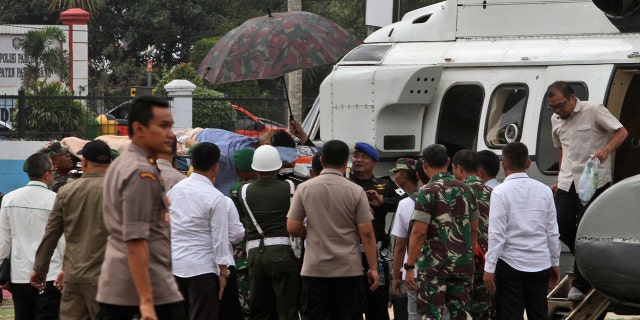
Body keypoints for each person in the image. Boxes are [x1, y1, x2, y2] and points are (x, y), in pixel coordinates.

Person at [97, 96, 185, 320]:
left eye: (170, 126)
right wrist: (146, 302)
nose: (170, 134)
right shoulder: (140, 172)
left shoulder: (125, 164)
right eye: (163, 126)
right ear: (139, 129)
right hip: (144, 292)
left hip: (124, 287)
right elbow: (136, 239)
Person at [547, 81, 628, 300]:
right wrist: (559, 177)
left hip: (593, 180)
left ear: (572, 98)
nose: (557, 110)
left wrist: (606, 150)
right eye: (553, 107)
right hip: (567, 181)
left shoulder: (594, 110)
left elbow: (621, 132)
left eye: (561, 105)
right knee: (560, 223)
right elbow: (562, 149)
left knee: (585, 228)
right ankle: (589, 261)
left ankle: (581, 285)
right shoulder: (556, 119)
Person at [287, 139, 379, 320]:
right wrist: (373, 268)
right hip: (349, 271)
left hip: (315, 270)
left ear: (321, 161)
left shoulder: (304, 188)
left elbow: (292, 227)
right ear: (346, 163)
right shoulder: (356, 190)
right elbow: (366, 233)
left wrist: (310, 231)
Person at [31, 140, 113, 320]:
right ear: (110, 162)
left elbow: (51, 233)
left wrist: (40, 268)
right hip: (107, 279)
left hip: (74, 276)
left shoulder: (66, 191)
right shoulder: (120, 190)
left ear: (84, 162)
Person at [483, 142, 561, 320]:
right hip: (540, 263)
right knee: (539, 313)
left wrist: (489, 267)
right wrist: (554, 261)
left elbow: (497, 234)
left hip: (510, 265)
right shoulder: (545, 191)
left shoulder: (500, 192)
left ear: (504, 164)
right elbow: (552, 231)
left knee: (510, 314)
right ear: (528, 163)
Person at [405, 144, 478, 320]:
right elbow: (474, 229)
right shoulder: (466, 189)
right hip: (462, 265)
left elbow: (419, 232)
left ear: (424, 165)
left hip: (434, 267)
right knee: (461, 314)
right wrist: (470, 260)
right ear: (448, 161)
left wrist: (409, 266)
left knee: (431, 314)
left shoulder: (427, 191)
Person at [168, 142, 237, 320]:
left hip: (175, 266)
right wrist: (223, 273)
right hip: (202, 270)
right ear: (215, 167)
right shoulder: (215, 197)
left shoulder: (175, 191)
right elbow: (220, 239)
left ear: (191, 162)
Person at [238, 145, 300, 320]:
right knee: (287, 308)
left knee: (260, 310)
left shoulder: (243, 190)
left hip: (255, 255)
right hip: (283, 252)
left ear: (254, 168)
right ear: (279, 167)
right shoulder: (289, 187)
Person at [0, 152, 64, 319]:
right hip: (51, 272)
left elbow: (3, 241)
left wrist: (1, 269)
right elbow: (62, 240)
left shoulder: (9, 199)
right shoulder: (56, 200)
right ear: (47, 173)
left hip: (19, 274)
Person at [350, 142, 404, 320]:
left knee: (378, 308)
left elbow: (409, 201)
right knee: (351, 307)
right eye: (356, 156)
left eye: (364, 157)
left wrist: (383, 202)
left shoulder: (385, 184)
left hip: (377, 254)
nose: (358, 160)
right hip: (349, 254)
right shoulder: (345, 183)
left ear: (374, 162)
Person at [182, 128, 297, 195]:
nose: (269, 130)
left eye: (271, 133)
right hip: (201, 133)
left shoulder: (232, 154)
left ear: (268, 144)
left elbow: (202, 148)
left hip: (192, 139)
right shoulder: (252, 142)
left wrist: (185, 140)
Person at [452, 149, 493, 320]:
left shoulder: (456, 193)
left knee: (460, 310)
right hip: (487, 262)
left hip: (462, 261)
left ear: (459, 168)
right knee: (483, 310)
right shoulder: (493, 193)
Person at [227, 148, 257, 320]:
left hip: (241, 255)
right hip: (263, 251)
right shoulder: (259, 188)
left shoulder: (235, 190)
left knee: (245, 304)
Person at [389, 158, 420, 320]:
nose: (394, 177)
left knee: (413, 314)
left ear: (403, 176)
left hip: (412, 271)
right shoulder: (434, 196)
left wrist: (395, 277)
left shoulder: (405, 204)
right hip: (437, 270)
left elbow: (400, 246)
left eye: (396, 173)